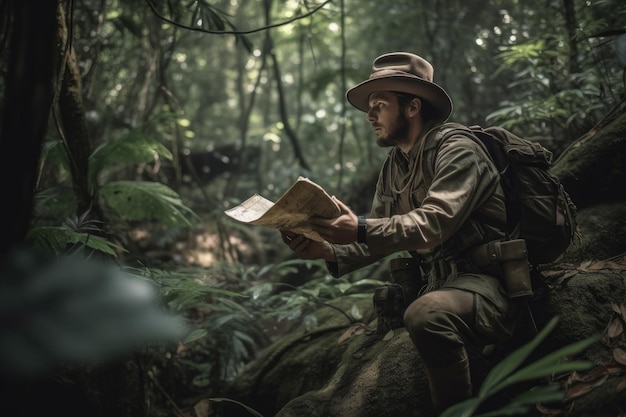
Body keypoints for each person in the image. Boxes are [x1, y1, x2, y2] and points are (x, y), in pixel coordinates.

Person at [281, 52, 520, 413]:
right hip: (438, 283)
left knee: (425, 315)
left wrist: (359, 228)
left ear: (412, 107)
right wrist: (327, 250)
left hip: (489, 283)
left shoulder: (458, 149)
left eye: (379, 105)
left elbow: (433, 223)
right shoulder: (395, 166)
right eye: (369, 107)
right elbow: (379, 234)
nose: (369, 115)